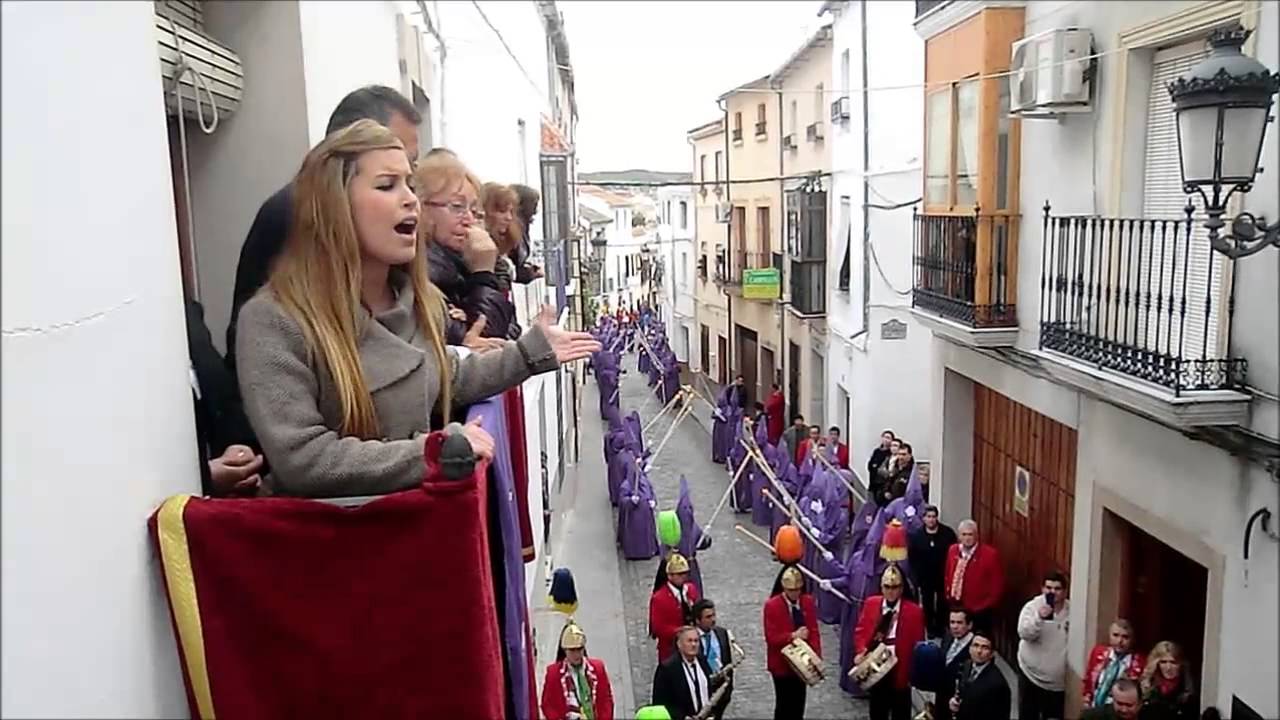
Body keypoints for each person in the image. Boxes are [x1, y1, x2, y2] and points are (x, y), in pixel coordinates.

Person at [233, 119, 600, 497]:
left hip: (416, 528)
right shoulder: (274, 320)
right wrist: (432, 453)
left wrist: (530, 352)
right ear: (333, 205)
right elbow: (303, 459)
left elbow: (447, 375)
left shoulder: (419, 301)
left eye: (410, 183)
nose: (410, 199)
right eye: (387, 185)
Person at [227, 85, 423, 375]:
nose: (410, 198)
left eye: (410, 174)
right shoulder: (292, 213)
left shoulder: (413, 296)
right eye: (387, 183)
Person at [184, 299, 263, 497]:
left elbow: (218, 390)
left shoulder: (184, 312)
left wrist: (240, 450)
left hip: (224, 496)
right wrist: (203, 476)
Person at [853, 564, 926, 720]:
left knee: (901, 712)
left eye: (895, 587)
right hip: (876, 664)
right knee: (877, 711)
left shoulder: (914, 611)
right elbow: (861, 631)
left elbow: (918, 644)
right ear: (881, 587)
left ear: (902, 588)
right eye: (887, 587)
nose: (891, 591)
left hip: (900, 666)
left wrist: (912, 673)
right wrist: (861, 651)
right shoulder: (871, 603)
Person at [763, 564, 820, 720]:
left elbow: (814, 630)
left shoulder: (807, 601)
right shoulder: (772, 606)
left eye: (797, 590)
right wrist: (793, 636)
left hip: (803, 662)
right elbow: (771, 637)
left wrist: (815, 656)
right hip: (781, 664)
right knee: (784, 705)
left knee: (799, 704)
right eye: (791, 591)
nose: (795, 594)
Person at [1016, 572, 1070, 720]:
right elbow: (1024, 633)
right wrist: (1039, 618)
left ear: (1065, 591)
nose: (1052, 592)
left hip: (1057, 683)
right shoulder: (1032, 607)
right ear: (1042, 588)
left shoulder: (1072, 611)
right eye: (1048, 588)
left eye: (1057, 588)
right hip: (1031, 676)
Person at [539, 621, 614, 720]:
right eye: (572, 650)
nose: (576, 654)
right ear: (565, 650)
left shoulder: (598, 668)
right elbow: (547, 704)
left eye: (579, 649)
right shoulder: (553, 673)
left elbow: (606, 700)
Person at [943, 519, 1004, 633]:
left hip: (979, 610)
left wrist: (984, 606)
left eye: (970, 534)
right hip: (956, 605)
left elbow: (997, 586)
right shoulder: (953, 550)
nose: (967, 538)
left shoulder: (990, 555)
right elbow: (947, 574)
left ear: (977, 535)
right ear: (959, 536)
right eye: (964, 534)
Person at [907, 505, 957, 638]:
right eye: (928, 517)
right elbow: (912, 557)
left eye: (933, 517)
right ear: (924, 519)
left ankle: (941, 627)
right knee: (927, 603)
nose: (931, 520)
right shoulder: (917, 536)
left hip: (943, 575)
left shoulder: (947, 534)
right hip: (925, 577)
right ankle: (929, 628)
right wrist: (916, 576)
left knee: (942, 602)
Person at [651, 626, 721, 720]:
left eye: (696, 641)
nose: (693, 644)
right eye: (689, 641)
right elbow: (660, 704)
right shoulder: (667, 669)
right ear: (679, 644)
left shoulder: (702, 661)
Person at [948, 627, 1011, 720]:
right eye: (975, 645)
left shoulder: (998, 684)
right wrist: (955, 704)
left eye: (984, 647)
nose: (979, 651)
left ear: (992, 653)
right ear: (969, 649)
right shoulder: (966, 665)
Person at [1083, 620, 1147, 711]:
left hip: (1120, 711)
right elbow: (1088, 680)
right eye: (1115, 635)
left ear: (1132, 640)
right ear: (1109, 635)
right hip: (1093, 708)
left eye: (1125, 637)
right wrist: (1086, 701)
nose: (1120, 641)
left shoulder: (1140, 662)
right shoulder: (1098, 652)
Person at [649, 552, 701, 663]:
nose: (683, 577)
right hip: (670, 649)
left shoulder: (691, 589)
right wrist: (680, 632)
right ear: (669, 576)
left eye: (685, 574)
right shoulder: (659, 598)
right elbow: (658, 628)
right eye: (679, 574)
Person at [692, 599, 734, 720]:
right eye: (708, 617)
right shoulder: (690, 638)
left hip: (720, 688)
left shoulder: (722, 633)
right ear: (697, 620)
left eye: (714, 615)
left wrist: (728, 689)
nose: (713, 619)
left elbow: (728, 660)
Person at [933, 608, 975, 720]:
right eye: (952, 622)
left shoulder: (975, 646)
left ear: (969, 625)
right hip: (942, 696)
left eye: (959, 623)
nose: (955, 627)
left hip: (960, 703)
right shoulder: (948, 637)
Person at [1138, 641, 1197, 720]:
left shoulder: (1188, 689)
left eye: (1173, 662)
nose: (1168, 668)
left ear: (1181, 664)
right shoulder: (1147, 687)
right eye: (1163, 662)